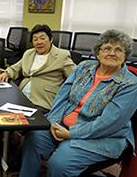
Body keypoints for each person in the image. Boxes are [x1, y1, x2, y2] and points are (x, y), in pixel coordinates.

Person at [19, 29, 137, 177]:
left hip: (103, 136)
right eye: (107, 48)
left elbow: (109, 123)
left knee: (59, 164)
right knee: (34, 137)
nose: (112, 53)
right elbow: (62, 96)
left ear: (125, 55)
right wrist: (53, 122)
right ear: (98, 53)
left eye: (118, 50)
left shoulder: (130, 84)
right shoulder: (84, 67)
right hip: (62, 124)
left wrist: (71, 134)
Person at [0, 24, 75, 112]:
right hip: (21, 96)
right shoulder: (28, 53)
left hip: (44, 101)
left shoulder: (62, 55)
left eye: (42, 38)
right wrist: (6, 73)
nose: (39, 42)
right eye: (35, 39)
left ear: (51, 39)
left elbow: (77, 76)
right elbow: (16, 67)